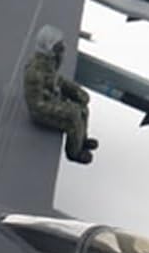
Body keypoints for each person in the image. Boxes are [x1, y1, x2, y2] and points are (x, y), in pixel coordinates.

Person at [23, 26, 97, 163]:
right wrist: (63, 108)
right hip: (41, 112)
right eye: (58, 45)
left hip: (52, 97)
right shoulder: (35, 73)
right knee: (74, 116)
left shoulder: (49, 62)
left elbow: (56, 79)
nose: (62, 47)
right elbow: (37, 105)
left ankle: (82, 139)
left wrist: (75, 90)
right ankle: (74, 152)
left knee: (83, 106)